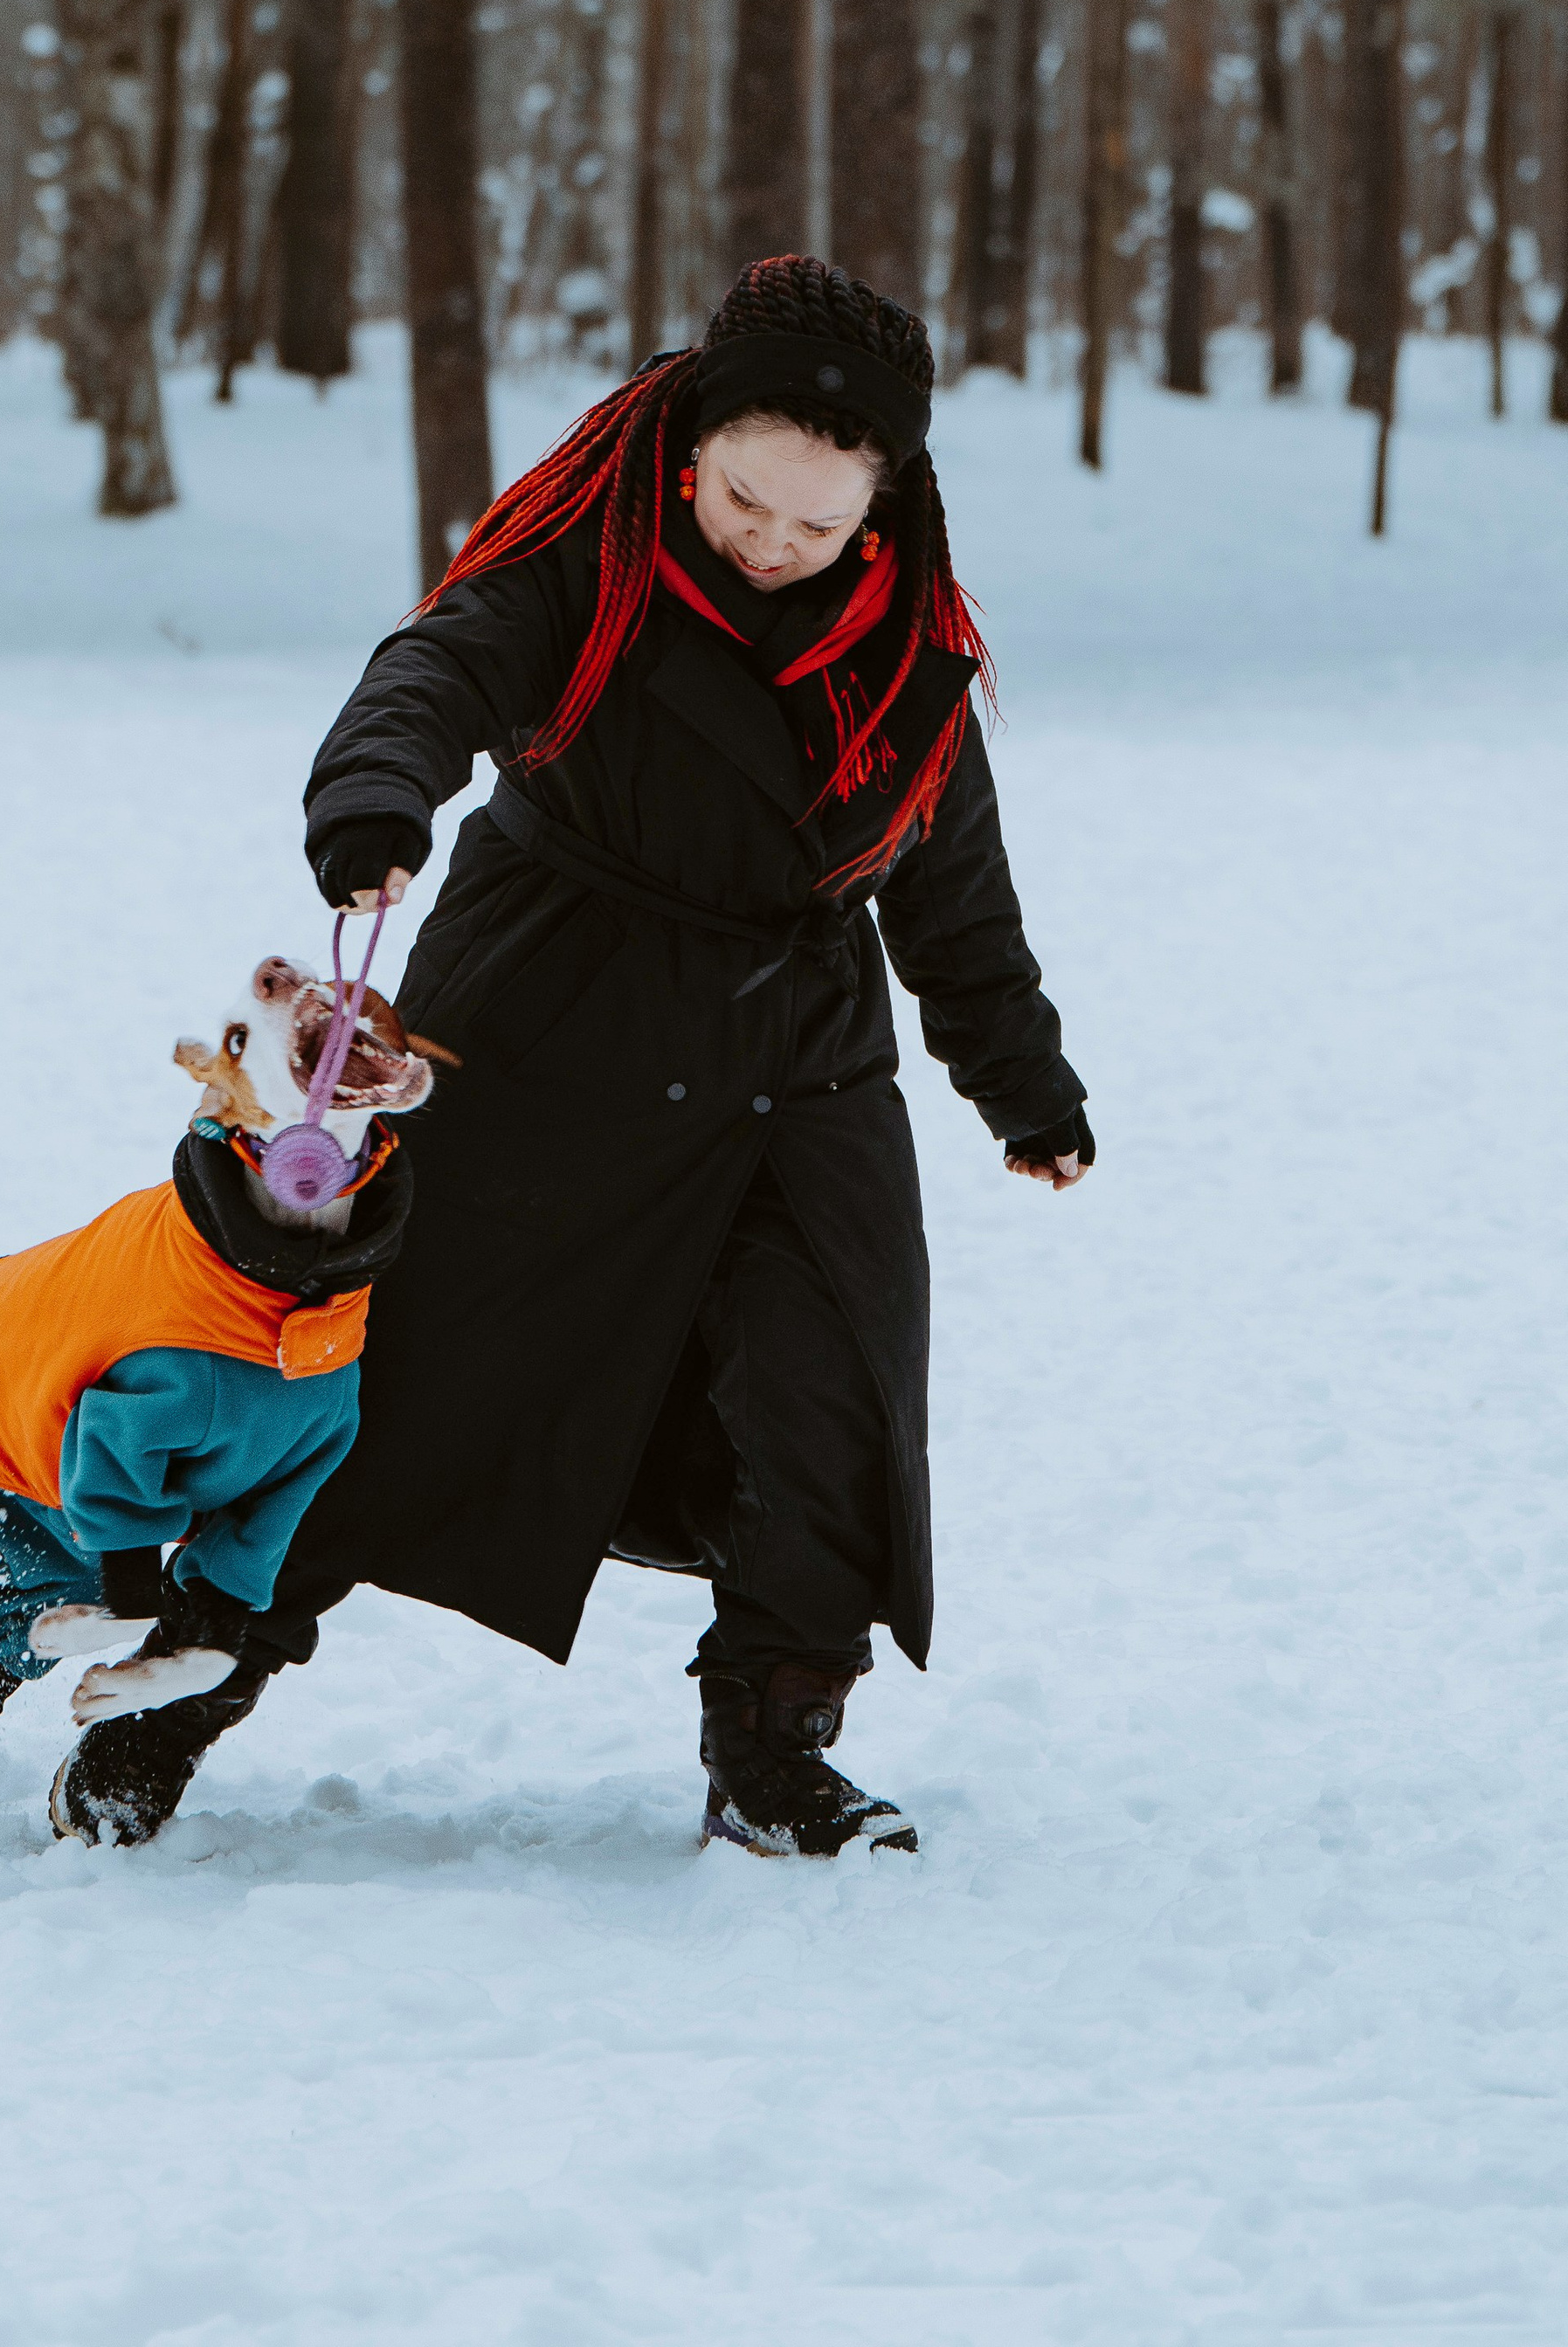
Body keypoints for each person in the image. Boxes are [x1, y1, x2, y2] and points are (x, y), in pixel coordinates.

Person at [63, 256, 1092, 1856]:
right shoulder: (588, 566)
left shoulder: (909, 660)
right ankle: (182, 1692)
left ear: (886, 505)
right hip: (548, 1022)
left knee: (828, 1394)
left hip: (793, 1068)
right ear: (687, 444)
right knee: (381, 1388)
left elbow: (953, 900)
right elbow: (434, 669)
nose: (770, 543)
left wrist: (1023, 1084)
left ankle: (774, 1745)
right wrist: (375, 803)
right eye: (747, 498)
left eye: (818, 523)